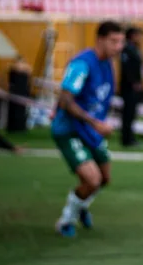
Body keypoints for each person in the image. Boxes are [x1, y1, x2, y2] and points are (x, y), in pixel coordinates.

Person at [51, 21, 125, 237]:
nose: (118, 46)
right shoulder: (82, 64)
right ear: (100, 40)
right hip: (69, 130)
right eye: (114, 41)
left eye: (121, 41)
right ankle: (66, 220)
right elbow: (66, 98)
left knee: (105, 178)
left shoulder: (108, 64)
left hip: (90, 130)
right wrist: (95, 123)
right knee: (92, 180)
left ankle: (81, 205)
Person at [119, 27, 143, 147]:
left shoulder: (134, 48)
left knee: (132, 112)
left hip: (135, 86)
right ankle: (126, 138)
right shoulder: (127, 49)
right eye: (138, 35)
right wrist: (134, 82)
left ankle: (130, 137)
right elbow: (126, 68)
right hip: (129, 87)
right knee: (128, 113)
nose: (140, 37)